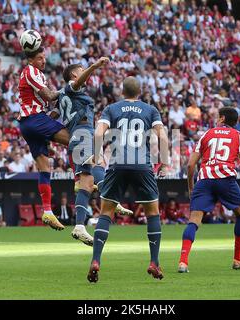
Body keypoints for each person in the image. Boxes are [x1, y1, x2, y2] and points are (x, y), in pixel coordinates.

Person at [87, 76, 169, 283]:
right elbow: (163, 136)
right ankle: (154, 261)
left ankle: (96, 260)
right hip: (143, 165)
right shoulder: (150, 110)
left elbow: (98, 133)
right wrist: (165, 163)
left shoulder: (112, 109)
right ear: (139, 92)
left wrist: (97, 156)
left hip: (117, 164)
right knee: (152, 213)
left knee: (106, 211)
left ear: (122, 92)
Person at [58, 58, 132, 246]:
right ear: (74, 74)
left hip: (76, 136)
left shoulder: (63, 96)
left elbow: (54, 113)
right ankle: (112, 200)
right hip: (83, 133)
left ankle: (80, 226)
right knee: (98, 163)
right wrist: (94, 66)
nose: (84, 73)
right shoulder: (71, 87)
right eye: (81, 70)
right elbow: (78, 82)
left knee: (86, 184)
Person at [178, 107, 240, 273]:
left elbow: (190, 164)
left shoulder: (206, 134)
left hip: (205, 180)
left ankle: (183, 262)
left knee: (194, 221)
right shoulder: (239, 136)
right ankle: (237, 259)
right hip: (225, 179)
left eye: (218, 117)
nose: (216, 119)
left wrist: (191, 187)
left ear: (222, 119)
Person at [18, 46, 70, 231]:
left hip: (29, 124)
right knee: (75, 140)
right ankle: (80, 180)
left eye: (44, 58)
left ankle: (47, 211)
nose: (44, 61)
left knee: (44, 167)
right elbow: (48, 95)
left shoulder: (35, 73)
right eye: (40, 58)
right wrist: (67, 89)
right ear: (31, 60)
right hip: (34, 119)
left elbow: (47, 102)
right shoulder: (31, 71)